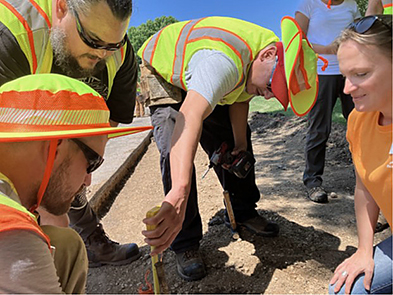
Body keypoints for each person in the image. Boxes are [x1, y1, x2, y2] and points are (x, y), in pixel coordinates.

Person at [138, 16, 320, 281]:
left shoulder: (257, 60)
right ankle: (185, 242)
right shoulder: (221, 64)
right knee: (174, 149)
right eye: (271, 87)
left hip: (206, 70)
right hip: (164, 68)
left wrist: (241, 145)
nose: (268, 95)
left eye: (275, 94)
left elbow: (240, 97)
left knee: (236, 141)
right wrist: (180, 191)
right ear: (268, 55)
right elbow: (189, 118)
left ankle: (243, 211)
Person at [0, 0, 140, 267]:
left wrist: (81, 167)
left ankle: (88, 241)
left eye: (111, 47)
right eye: (93, 41)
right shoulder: (11, 32)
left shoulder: (120, 54)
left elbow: (104, 126)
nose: (102, 55)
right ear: (62, 7)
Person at [0, 74, 151, 293]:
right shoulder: (12, 230)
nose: (88, 180)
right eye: (92, 162)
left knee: (64, 244)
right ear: (57, 147)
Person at [328, 14, 392, 294]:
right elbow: (364, 187)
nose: (346, 88)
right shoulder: (358, 119)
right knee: (344, 290)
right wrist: (364, 250)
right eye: (345, 75)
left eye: (361, 74)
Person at [295, 0, 361, 203]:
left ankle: (365, 179)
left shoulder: (352, 6)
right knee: (319, 128)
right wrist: (326, 49)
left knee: (361, 126)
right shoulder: (309, 5)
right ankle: (313, 182)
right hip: (322, 72)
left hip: (352, 72)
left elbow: (361, 36)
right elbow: (298, 40)